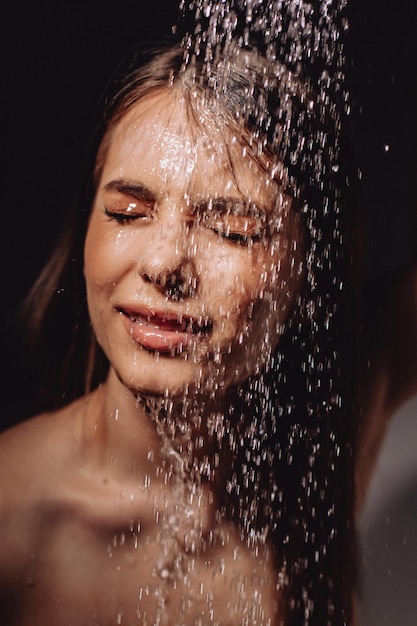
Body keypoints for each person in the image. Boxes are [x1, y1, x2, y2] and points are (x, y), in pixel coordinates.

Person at [0, 37, 356, 626]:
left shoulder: (328, 453)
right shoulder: (11, 523)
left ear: (308, 271)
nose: (164, 263)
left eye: (233, 229)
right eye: (127, 213)